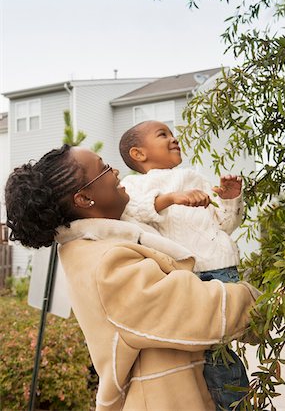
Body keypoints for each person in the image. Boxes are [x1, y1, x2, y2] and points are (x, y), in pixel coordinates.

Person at [5, 144, 259, 411]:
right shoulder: (104, 263)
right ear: (83, 199)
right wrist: (265, 302)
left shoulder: (109, 240)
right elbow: (194, 308)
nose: (115, 171)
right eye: (103, 168)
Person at [119, 120, 248, 409]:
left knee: (219, 348)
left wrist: (229, 200)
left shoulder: (195, 177)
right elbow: (132, 210)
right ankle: (232, 401)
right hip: (189, 274)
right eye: (163, 134)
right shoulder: (134, 184)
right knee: (211, 352)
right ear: (138, 154)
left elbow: (224, 225)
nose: (174, 138)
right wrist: (171, 198)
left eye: (173, 133)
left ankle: (234, 401)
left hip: (221, 267)